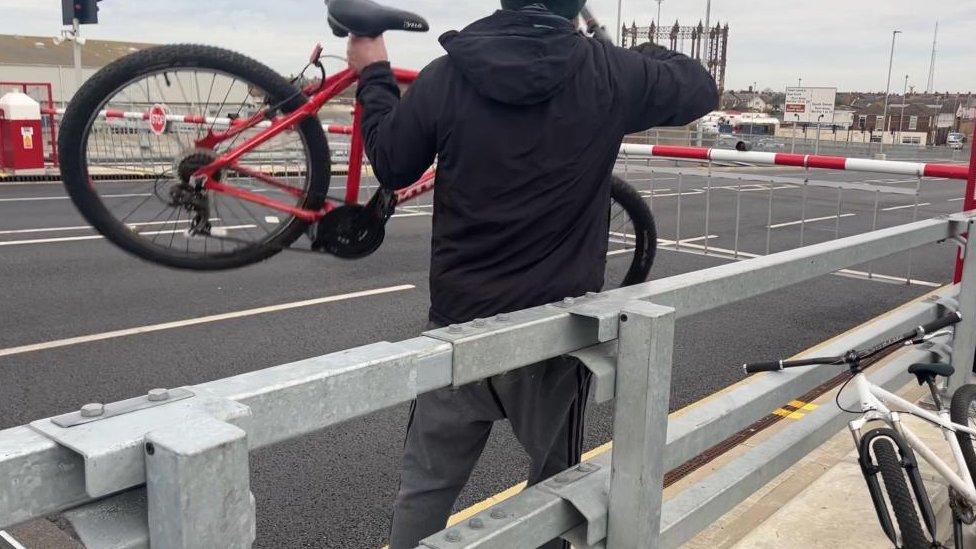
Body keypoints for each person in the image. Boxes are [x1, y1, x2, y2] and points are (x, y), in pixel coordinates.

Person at [346, 1, 718, 547]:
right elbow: (699, 87)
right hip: (554, 338)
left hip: (457, 331)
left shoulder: (449, 74)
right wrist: (623, 52)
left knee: (424, 493)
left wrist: (374, 73)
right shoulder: (609, 73)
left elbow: (393, 161)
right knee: (556, 495)